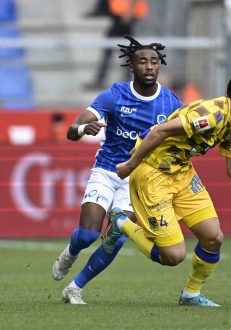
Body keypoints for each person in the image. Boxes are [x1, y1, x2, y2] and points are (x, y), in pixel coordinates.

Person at [102, 69, 231, 307]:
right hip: (152, 172)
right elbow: (160, 130)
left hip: (182, 173)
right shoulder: (211, 115)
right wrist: (131, 165)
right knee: (173, 257)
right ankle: (121, 222)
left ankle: (191, 294)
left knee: (213, 238)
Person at [52, 35, 183, 304]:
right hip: (107, 170)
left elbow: (181, 141)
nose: (149, 66)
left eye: (154, 62)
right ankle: (71, 251)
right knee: (88, 234)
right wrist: (82, 129)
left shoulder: (171, 103)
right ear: (131, 67)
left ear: (159, 66)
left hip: (139, 180)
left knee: (116, 237)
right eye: (142, 61)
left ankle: (75, 287)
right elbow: (71, 131)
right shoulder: (114, 95)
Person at [85, 0, 149, 90]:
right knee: (114, 50)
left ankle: (123, 79)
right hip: (121, 14)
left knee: (125, 52)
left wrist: (129, 12)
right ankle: (103, 79)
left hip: (125, 15)